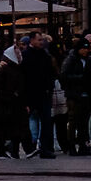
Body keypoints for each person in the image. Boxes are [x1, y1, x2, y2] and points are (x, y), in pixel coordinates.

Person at [21, 31, 58, 159]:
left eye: (42, 40)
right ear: (31, 40)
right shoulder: (25, 55)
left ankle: (45, 148)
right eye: (39, 40)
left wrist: (49, 86)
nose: (41, 42)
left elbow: (51, 72)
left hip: (44, 94)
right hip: (30, 94)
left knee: (46, 121)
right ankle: (27, 147)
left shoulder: (45, 55)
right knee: (26, 122)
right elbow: (24, 76)